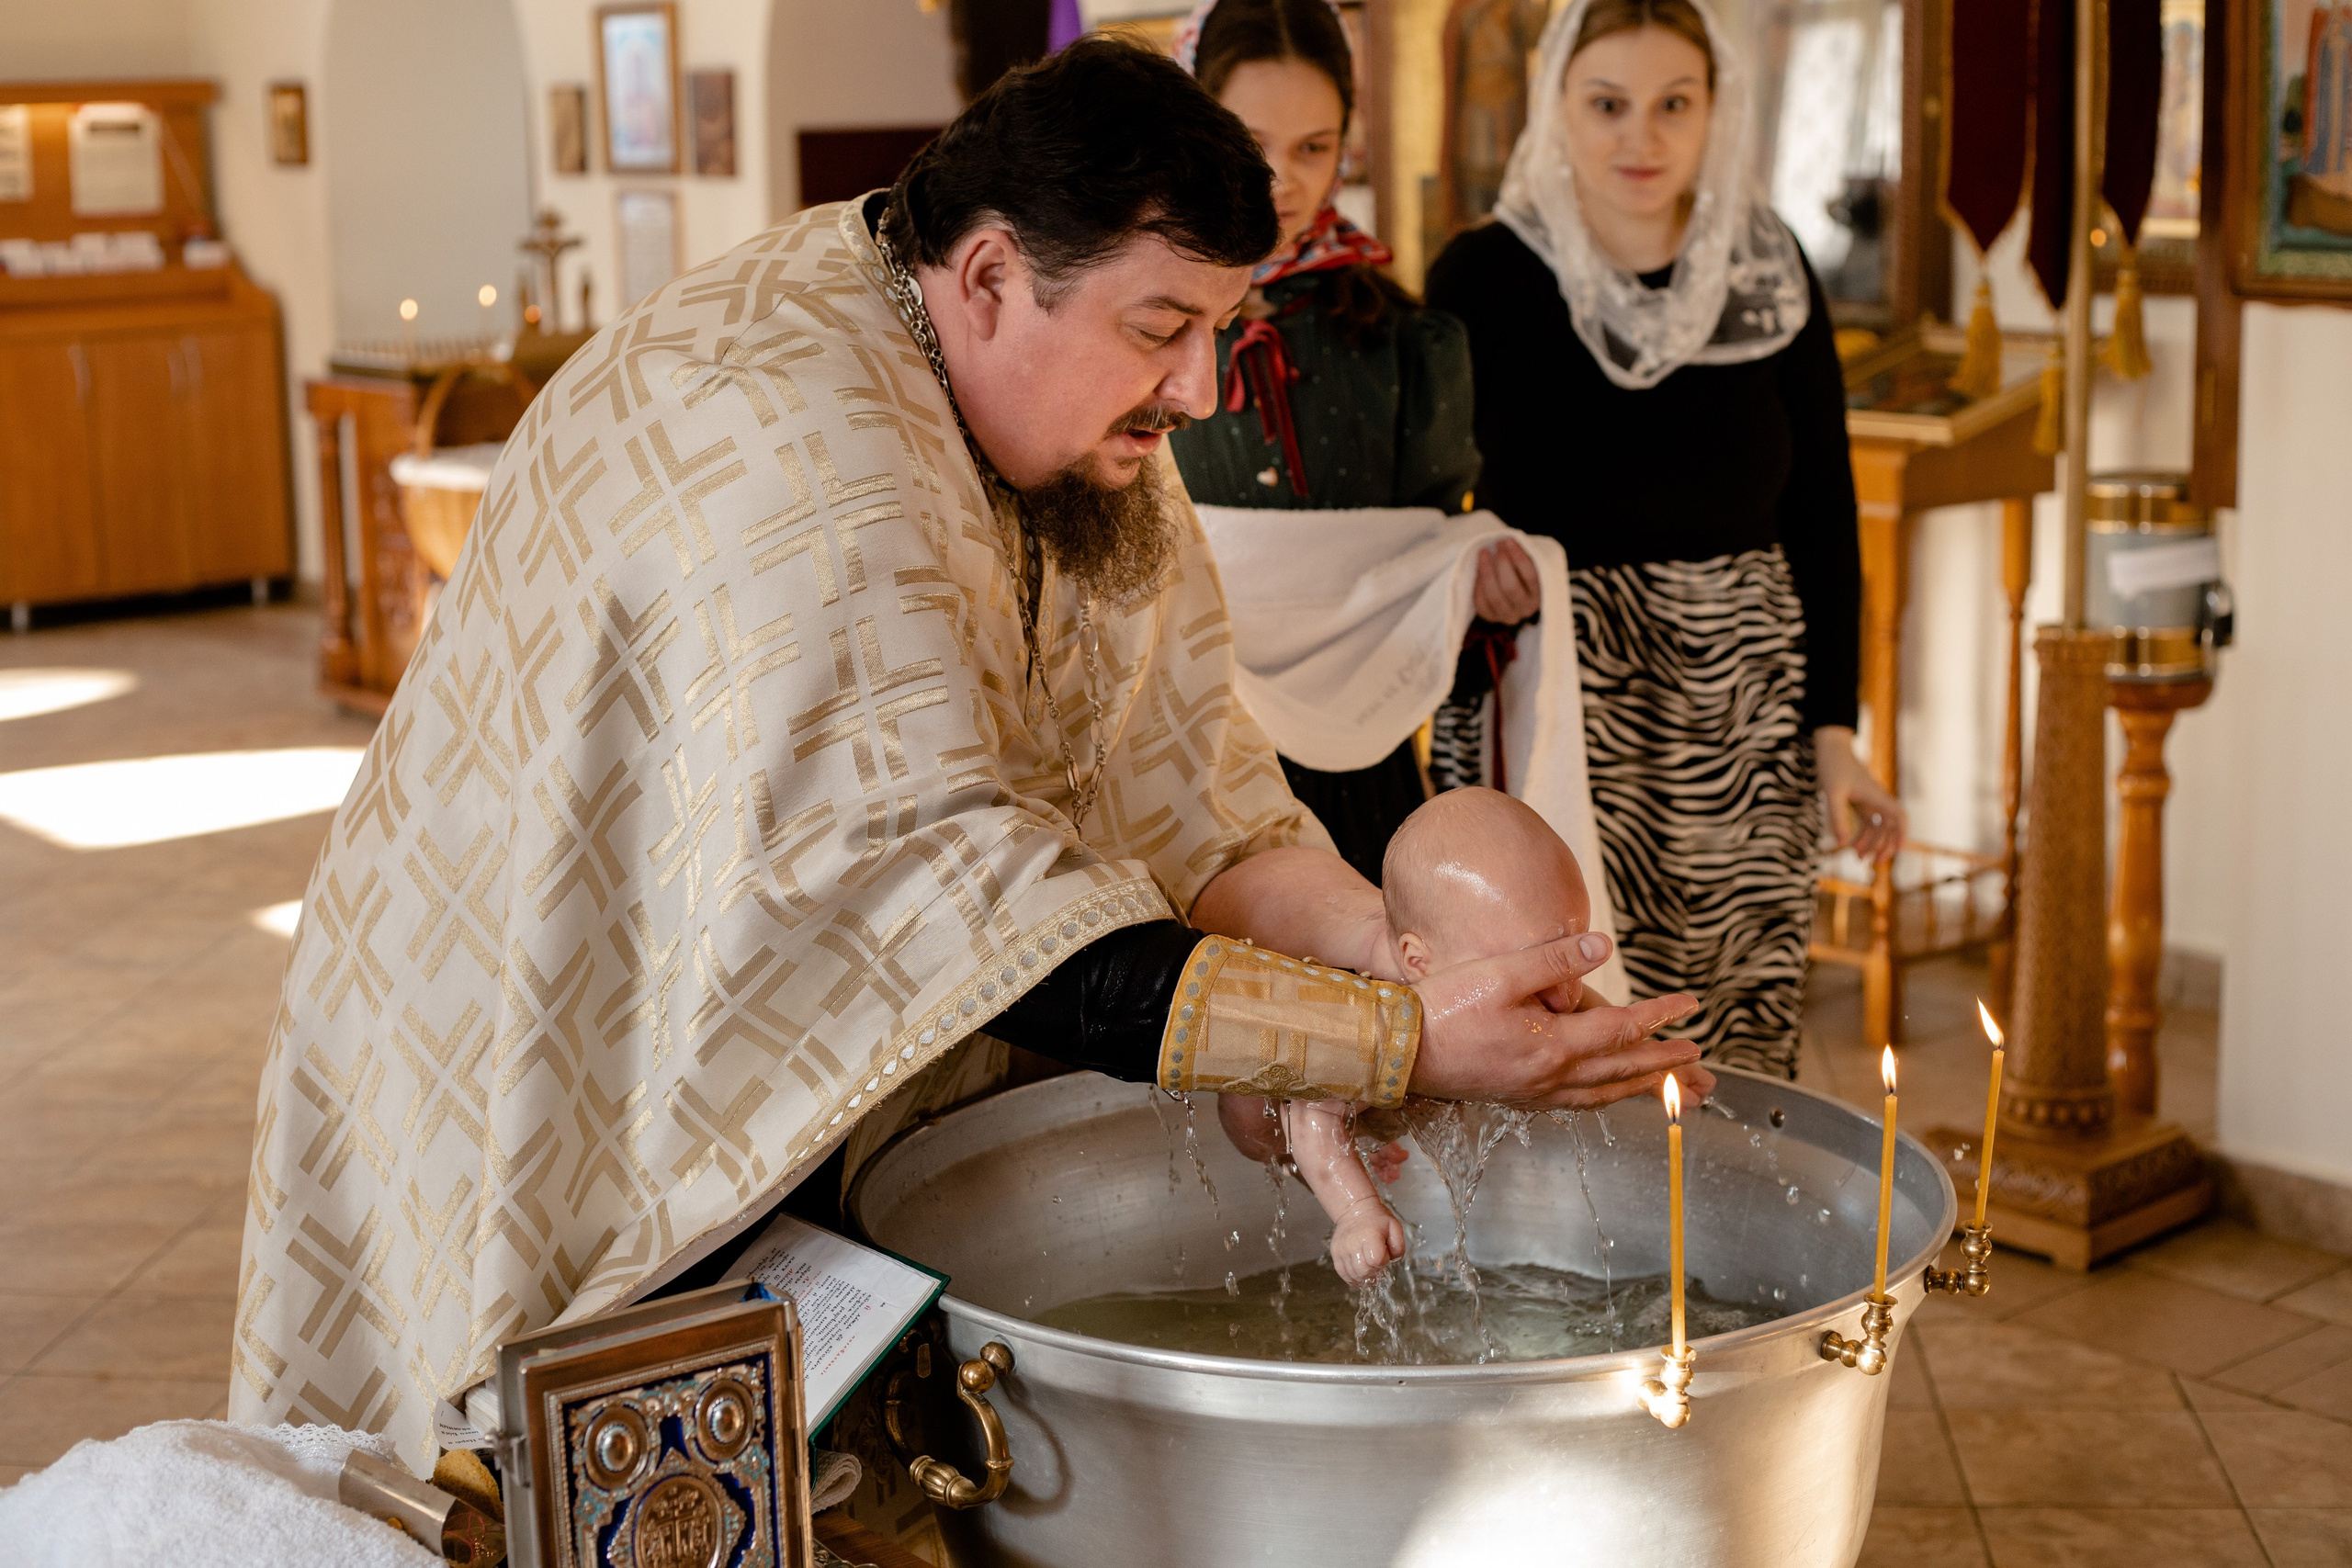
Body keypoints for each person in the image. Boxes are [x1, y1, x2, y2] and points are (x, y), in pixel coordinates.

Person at [231, 37, 1707, 1467]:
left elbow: (1187, 784)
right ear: (994, 273)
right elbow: (956, 906)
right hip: (572, 1062)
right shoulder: (794, 436)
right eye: (1161, 329)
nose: (1198, 391)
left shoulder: (1058, 414)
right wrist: (1391, 1037)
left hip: (782, 1052)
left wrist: (1396, 962)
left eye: (1219, 333)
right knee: (607, 1489)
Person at [1424, 0, 1906, 1079]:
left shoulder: (1768, 266)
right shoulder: (1484, 277)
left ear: (1715, 112)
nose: (1639, 137)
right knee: (1558, 1019)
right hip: (1554, 700)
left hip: (1739, 712)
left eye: (1672, 104)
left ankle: (1718, 1246)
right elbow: (1423, 519)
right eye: (1607, 104)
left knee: (1729, 1032)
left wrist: (1836, 732)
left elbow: (1822, 509)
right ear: (1557, 105)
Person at [1169, 0, 1525, 885]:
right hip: (1178, 781)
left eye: (1315, 148)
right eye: (1251, 141)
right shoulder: (1131, 331)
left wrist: (1478, 594)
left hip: (1357, 785)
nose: (1282, 181)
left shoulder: (1406, 347)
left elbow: (1416, 588)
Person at [1228, 787, 1597, 1284]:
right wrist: (1357, 1212)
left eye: (1569, 959)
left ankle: (1357, 1127)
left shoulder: (1463, 945)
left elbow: (1568, 987)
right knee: (1256, 1121)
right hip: (1234, 939)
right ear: (1418, 962)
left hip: (1303, 875)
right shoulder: (1365, 999)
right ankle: (1320, 1171)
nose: (1564, 998)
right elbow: (1308, 1116)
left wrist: (1653, 1051)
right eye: (1530, 976)